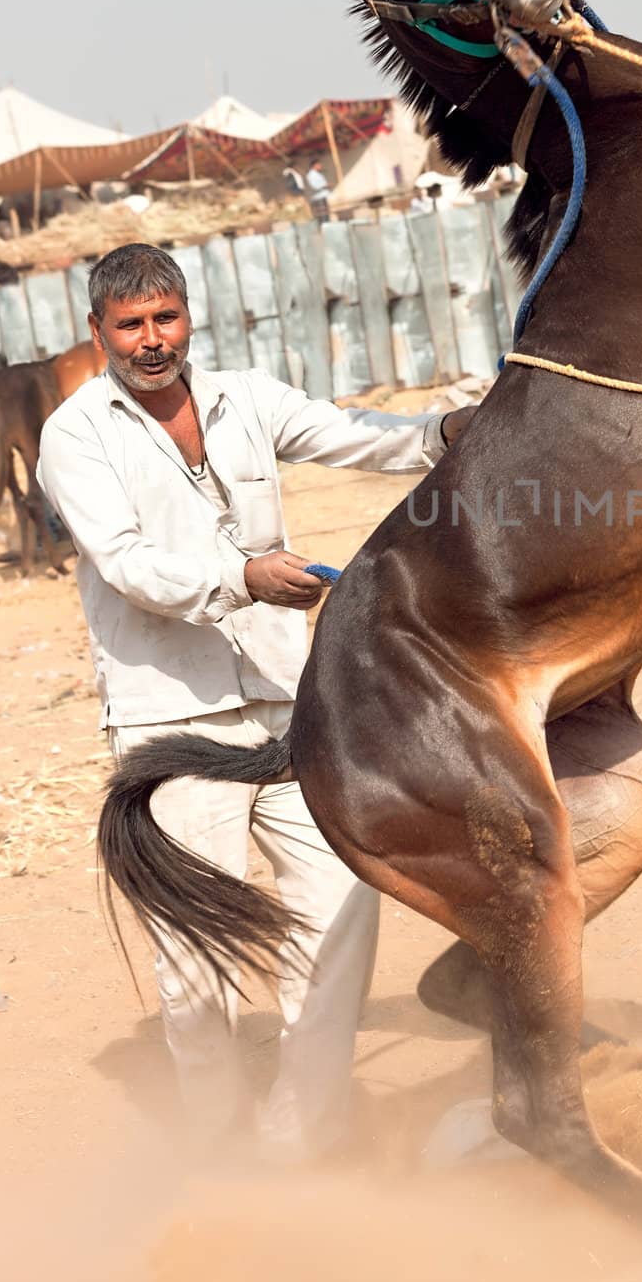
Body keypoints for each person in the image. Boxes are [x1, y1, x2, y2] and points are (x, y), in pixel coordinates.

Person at [36, 244, 476, 1165]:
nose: (152, 341)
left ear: (188, 316)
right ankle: (214, 1150)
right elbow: (127, 566)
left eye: (166, 318)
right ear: (97, 333)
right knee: (197, 959)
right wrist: (244, 576)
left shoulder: (245, 396)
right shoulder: (76, 435)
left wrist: (446, 431)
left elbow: (356, 434)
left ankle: (296, 1143)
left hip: (286, 711)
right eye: (131, 325)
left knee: (339, 916)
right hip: (173, 726)